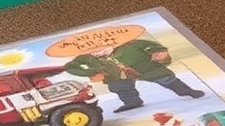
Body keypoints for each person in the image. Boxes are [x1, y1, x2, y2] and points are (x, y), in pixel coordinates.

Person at [62, 35, 205, 111]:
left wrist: (160, 55)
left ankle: (187, 91)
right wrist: (91, 72)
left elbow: (157, 47)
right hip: (116, 75)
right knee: (121, 88)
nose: (97, 49)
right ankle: (132, 102)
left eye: (101, 45)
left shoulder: (131, 44)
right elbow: (70, 66)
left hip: (148, 69)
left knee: (166, 79)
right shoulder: (86, 57)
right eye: (91, 48)